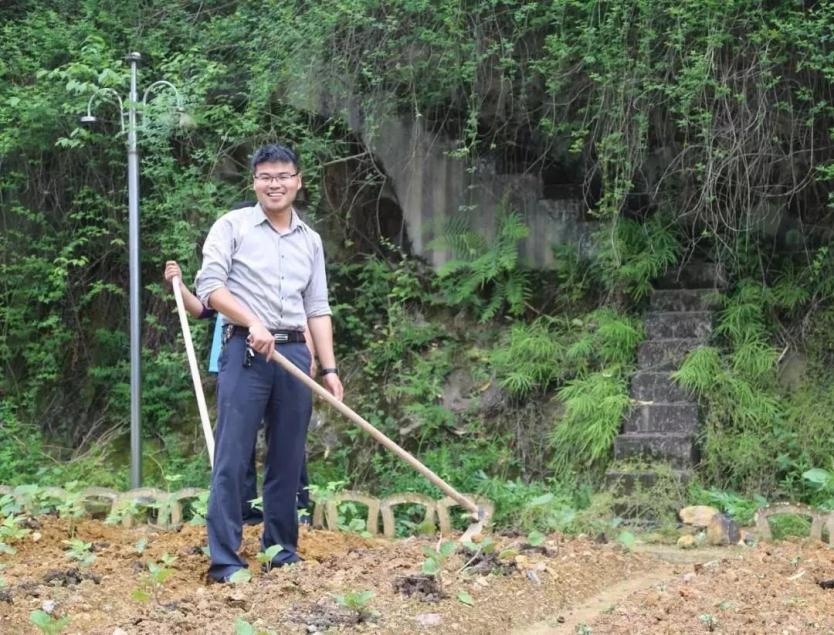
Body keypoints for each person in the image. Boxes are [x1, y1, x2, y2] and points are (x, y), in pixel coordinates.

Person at [195, 143, 343, 582]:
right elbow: (210, 287)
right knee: (232, 455)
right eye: (265, 176)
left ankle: (280, 550)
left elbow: (317, 307)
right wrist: (251, 321)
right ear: (254, 182)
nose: (274, 184)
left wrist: (330, 368)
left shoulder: (309, 240)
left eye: (283, 176)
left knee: (288, 457)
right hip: (245, 349)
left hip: (294, 353)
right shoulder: (233, 226)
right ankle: (225, 560)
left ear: (298, 181)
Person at [163, 261, 315, 525]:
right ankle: (245, 511)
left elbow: (301, 315)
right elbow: (201, 309)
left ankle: (297, 508)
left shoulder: (271, 280)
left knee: (287, 439)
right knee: (237, 443)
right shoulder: (221, 284)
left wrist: (309, 356)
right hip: (235, 363)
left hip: (281, 358)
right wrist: (179, 284)